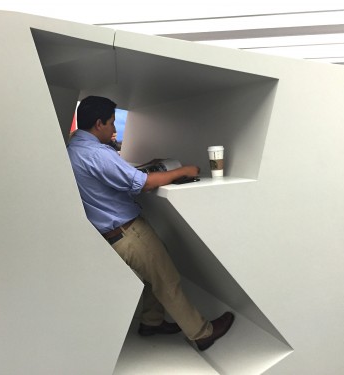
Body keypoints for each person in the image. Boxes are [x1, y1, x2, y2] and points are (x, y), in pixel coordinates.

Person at [67, 96, 234, 351]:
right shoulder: (97, 153)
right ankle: (202, 333)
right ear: (99, 123)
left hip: (110, 234)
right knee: (167, 280)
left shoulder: (74, 148)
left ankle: (151, 323)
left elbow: (118, 176)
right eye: (112, 123)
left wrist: (146, 168)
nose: (114, 130)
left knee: (151, 278)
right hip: (128, 232)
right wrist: (183, 171)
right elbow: (142, 184)